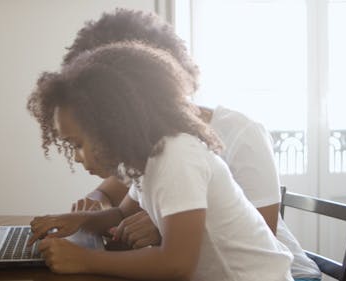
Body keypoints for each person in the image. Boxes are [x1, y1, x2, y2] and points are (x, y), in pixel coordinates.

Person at [61, 9, 322, 281]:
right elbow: (114, 200)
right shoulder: (146, 151)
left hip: (284, 272)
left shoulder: (216, 140)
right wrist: (84, 218)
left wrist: (163, 227)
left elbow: (250, 236)